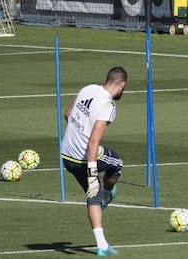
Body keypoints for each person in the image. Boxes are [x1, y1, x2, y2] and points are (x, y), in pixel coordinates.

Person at [61, 66, 127, 256]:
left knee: (93, 197)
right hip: (85, 156)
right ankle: (107, 195)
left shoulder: (87, 89)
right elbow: (92, 143)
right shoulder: (108, 106)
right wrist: (92, 175)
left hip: (66, 154)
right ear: (122, 85)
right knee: (117, 163)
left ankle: (102, 245)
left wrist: (77, 134)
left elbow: (67, 114)